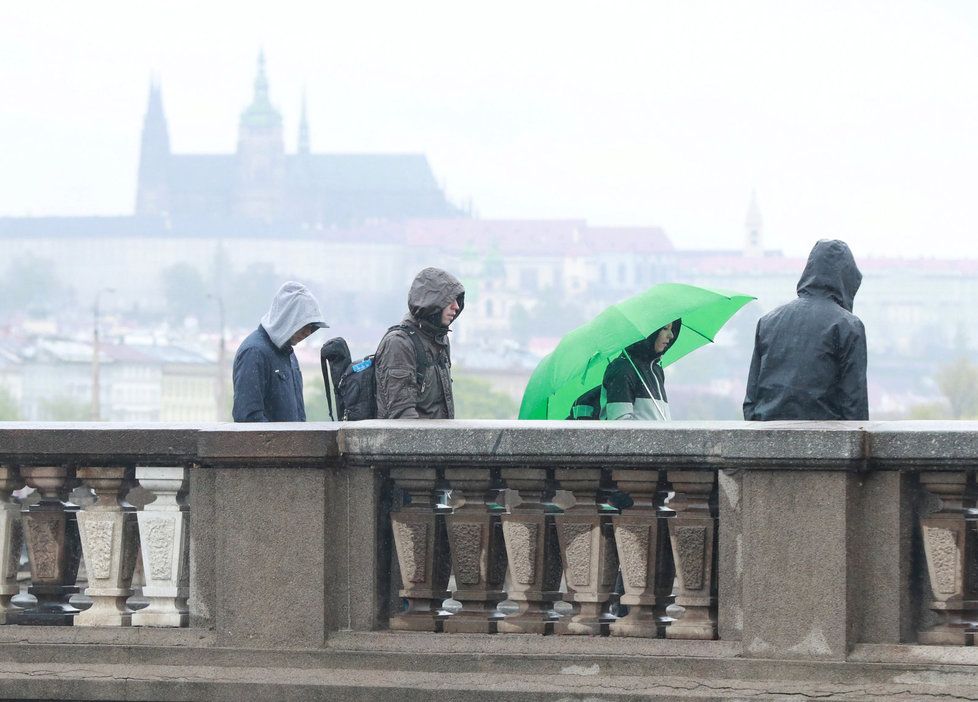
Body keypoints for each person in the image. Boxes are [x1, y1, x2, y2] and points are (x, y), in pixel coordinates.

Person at [743, 239, 868, 421]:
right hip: (826, 442)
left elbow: (751, 401)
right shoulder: (848, 326)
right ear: (847, 279)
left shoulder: (768, 322)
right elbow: (854, 406)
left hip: (766, 439)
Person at [375, 267, 465, 419]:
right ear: (431, 302)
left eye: (457, 300)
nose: (456, 306)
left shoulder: (440, 340)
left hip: (439, 440)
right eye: (449, 300)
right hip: (413, 441)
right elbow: (402, 415)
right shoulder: (399, 343)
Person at [232, 281, 328, 422]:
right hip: (269, 444)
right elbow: (248, 419)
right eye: (304, 324)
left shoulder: (288, 354)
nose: (308, 332)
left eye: (312, 326)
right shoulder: (254, 353)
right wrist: (281, 443)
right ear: (287, 317)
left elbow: (298, 416)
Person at [602, 320, 681, 420]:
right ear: (651, 332)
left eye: (672, 329)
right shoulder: (622, 369)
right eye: (665, 328)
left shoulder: (656, 370)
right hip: (642, 436)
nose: (671, 335)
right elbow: (620, 426)